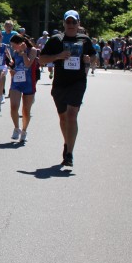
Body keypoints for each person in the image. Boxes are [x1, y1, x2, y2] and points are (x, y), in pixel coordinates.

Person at [38, 9, 94, 167]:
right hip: (60, 83)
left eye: (73, 22)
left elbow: (94, 58)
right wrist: (58, 56)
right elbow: (41, 59)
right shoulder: (56, 40)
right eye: (68, 22)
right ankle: (67, 143)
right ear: (63, 23)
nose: (71, 24)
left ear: (78, 23)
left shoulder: (84, 40)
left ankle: (69, 153)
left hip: (77, 82)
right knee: (63, 117)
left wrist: (89, 59)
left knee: (71, 115)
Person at [7, 33, 38, 142]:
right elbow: (14, 66)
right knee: (14, 107)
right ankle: (16, 128)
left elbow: (28, 64)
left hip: (28, 83)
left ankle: (24, 131)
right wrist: (11, 70)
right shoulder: (15, 53)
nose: (12, 48)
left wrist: (24, 53)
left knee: (26, 110)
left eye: (13, 45)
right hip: (16, 82)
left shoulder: (32, 50)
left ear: (20, 43)